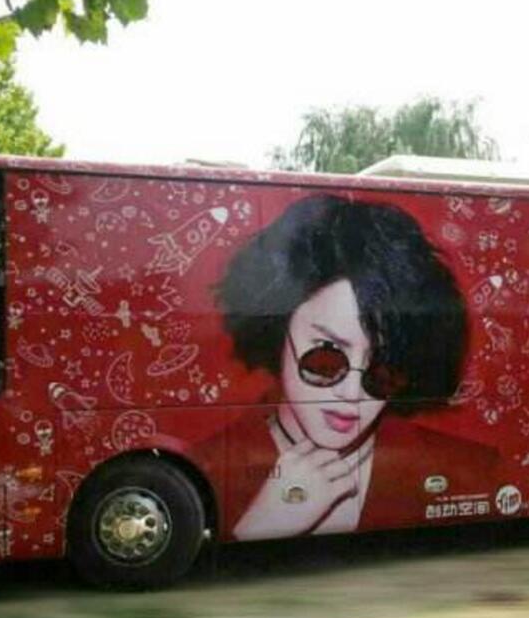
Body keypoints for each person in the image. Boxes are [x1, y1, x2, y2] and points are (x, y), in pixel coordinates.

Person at [208, 194, 498, 541]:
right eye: (327, 359)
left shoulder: (470, 469)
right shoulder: (210, 464)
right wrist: (258, 527)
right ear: (278, 331)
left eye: (383, 369)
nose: (352, 394)